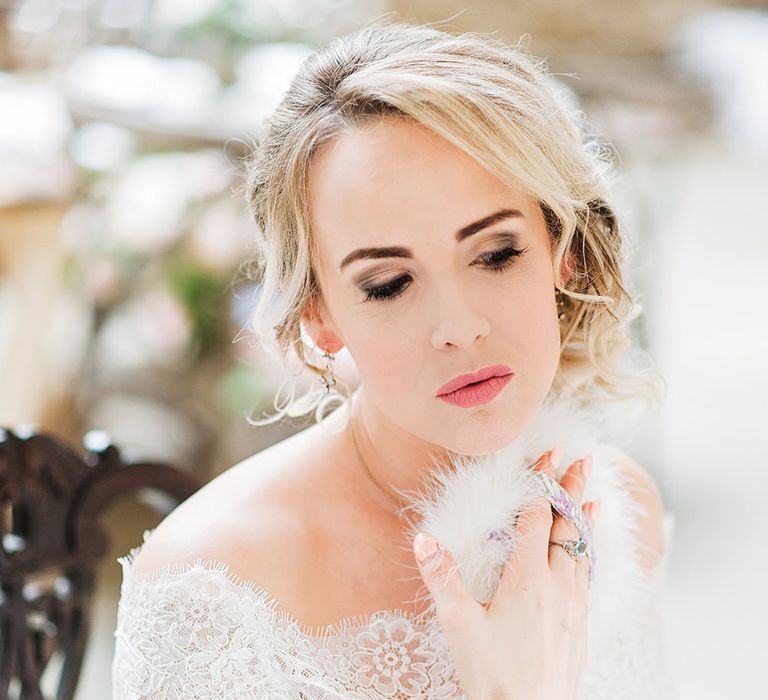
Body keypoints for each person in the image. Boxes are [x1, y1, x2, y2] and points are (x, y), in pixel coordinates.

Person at [111, 20, 674, 699]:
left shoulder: (617, 510)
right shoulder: (215, 591)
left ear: (565, 254)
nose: (461, 328)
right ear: (317, 320)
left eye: (496, 254)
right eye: (389, 284)